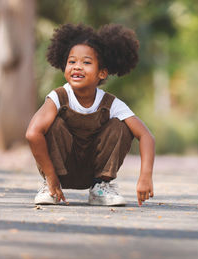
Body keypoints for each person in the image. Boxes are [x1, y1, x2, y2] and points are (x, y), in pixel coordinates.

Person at [26, 23, 155, 207]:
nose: (77, 67)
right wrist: (50, 175)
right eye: (72, 62)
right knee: (52, 124)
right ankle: (50, 188)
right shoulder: (59, 97)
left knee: (121, 126)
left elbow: (146, 136)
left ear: (102, 73)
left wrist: (145, 176)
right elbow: (32, 133)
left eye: (86, 62)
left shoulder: (111, 104)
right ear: (64, 67)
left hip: (94, 171)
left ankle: (100, 188)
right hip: (60, 171)